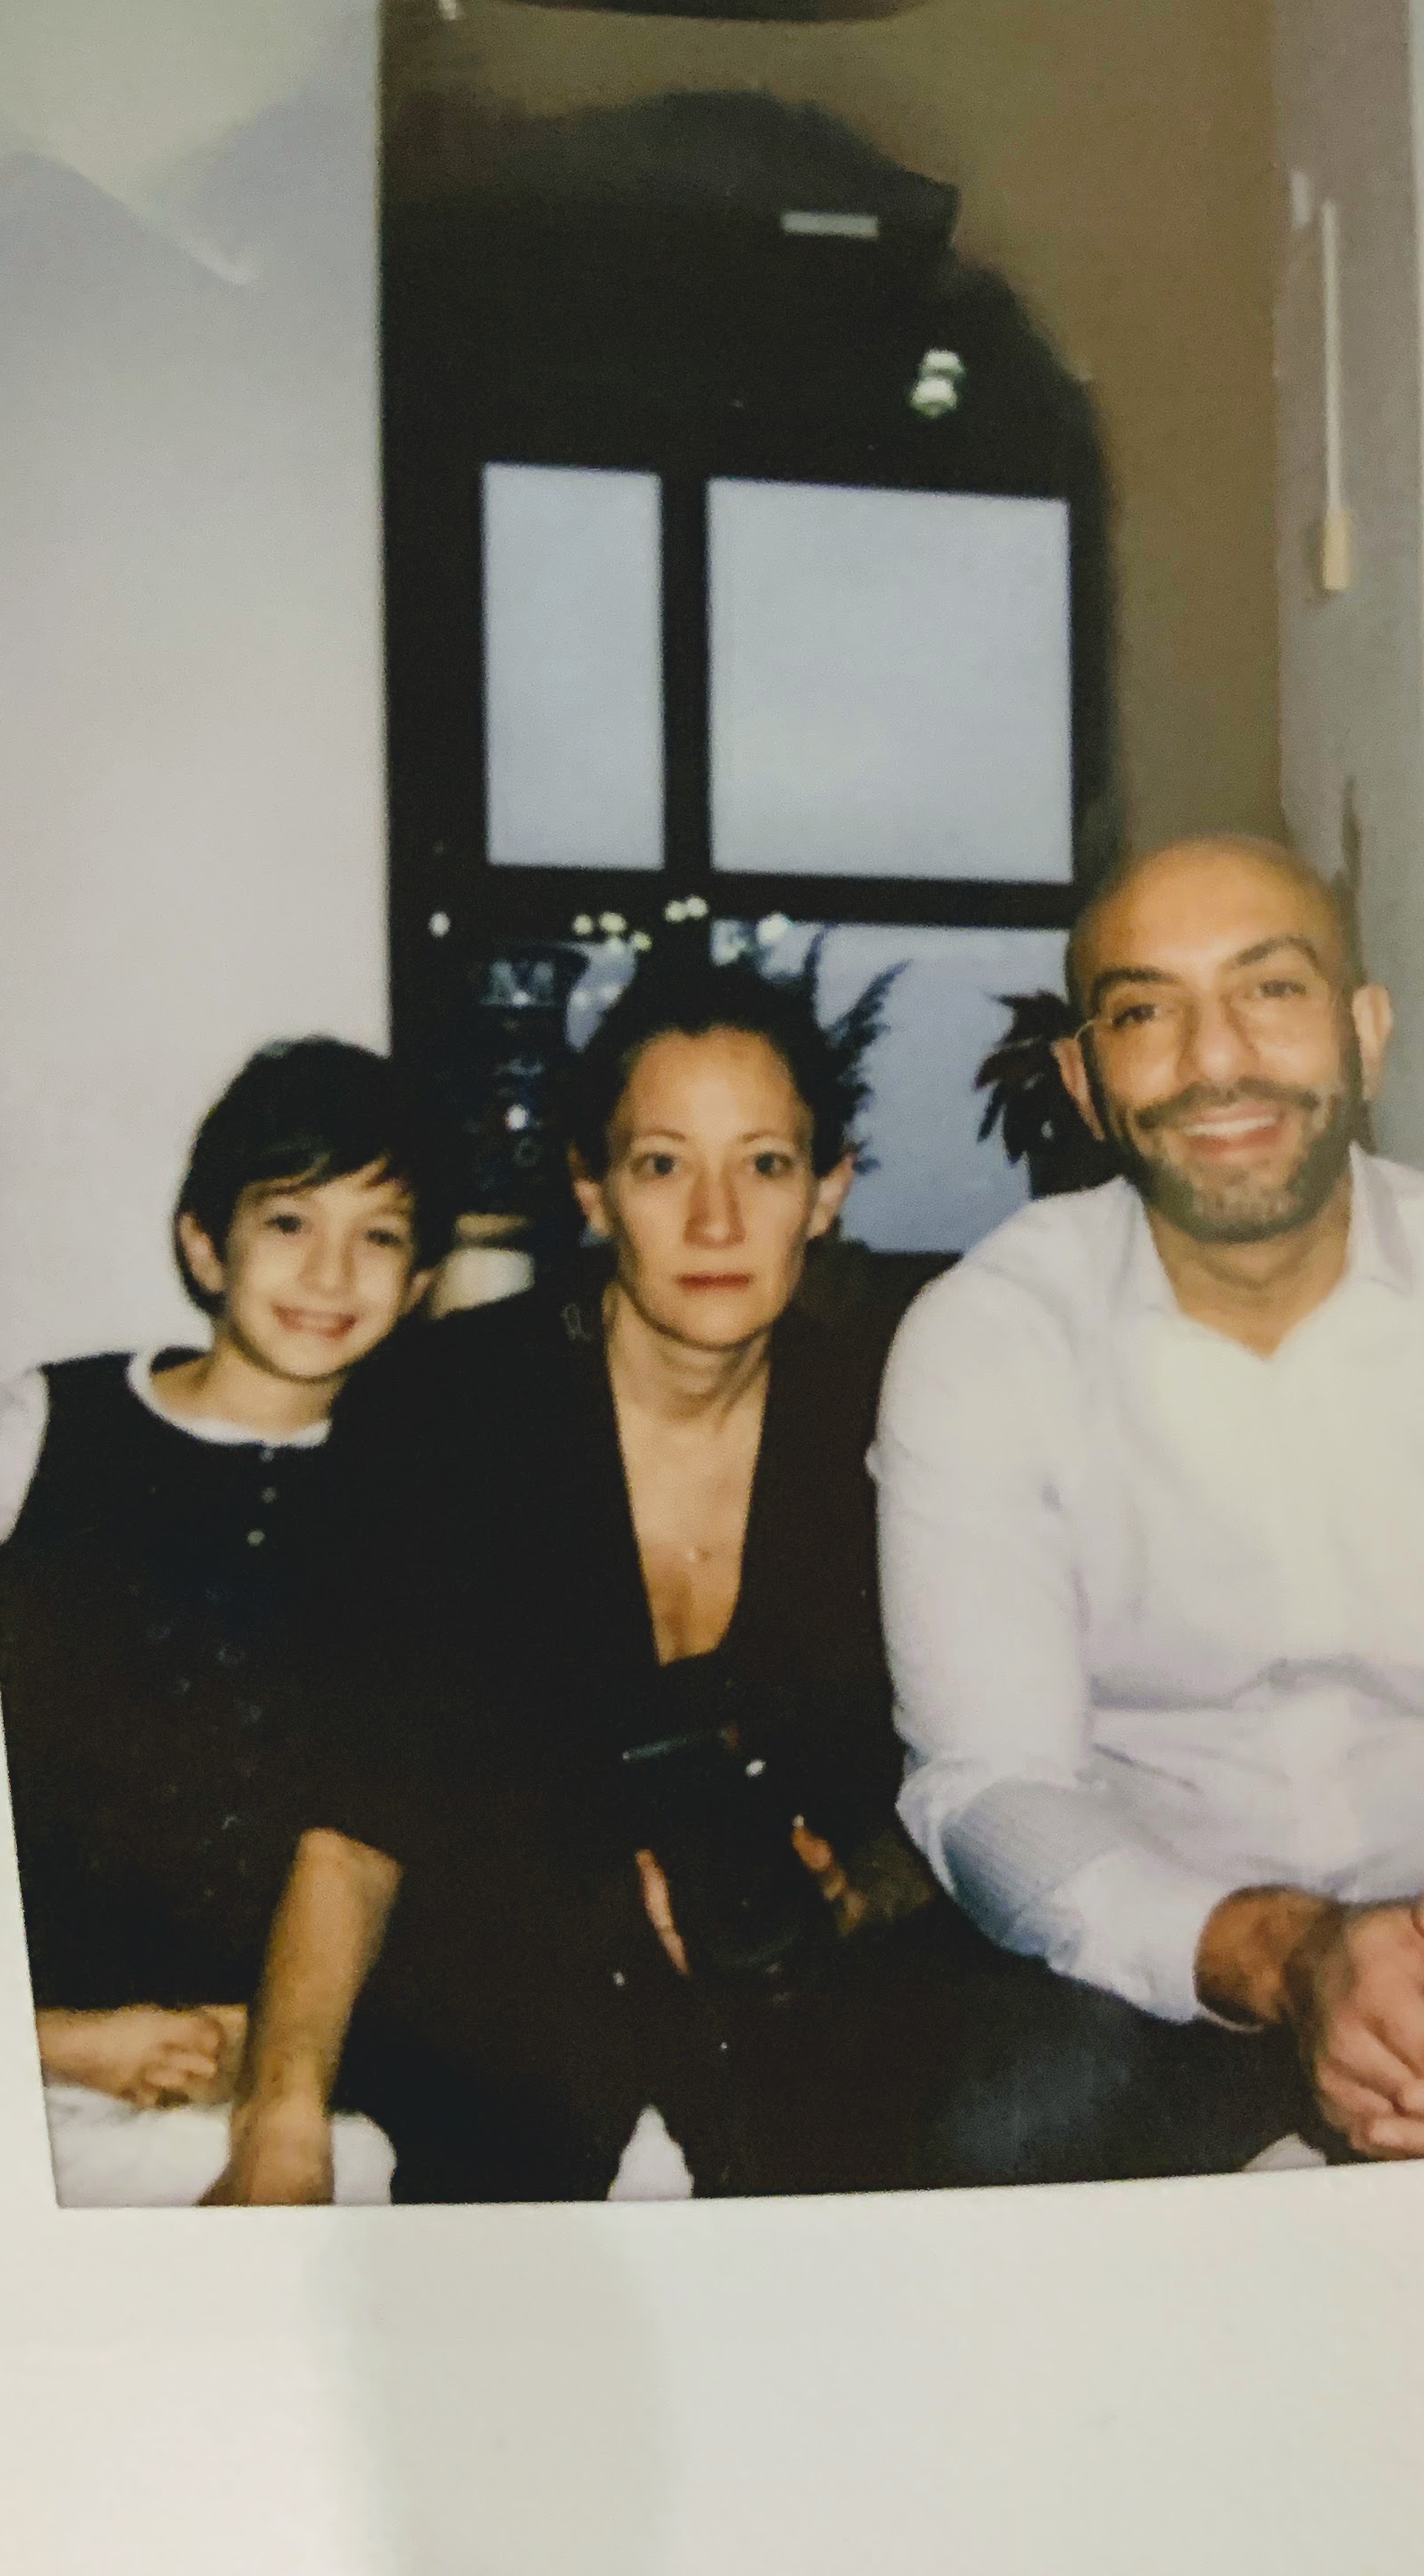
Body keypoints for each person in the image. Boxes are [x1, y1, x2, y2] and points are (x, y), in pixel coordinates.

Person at [875, 834, 1424, 2177]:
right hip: (1167, 1952)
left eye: (1271, 990)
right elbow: (992, 1783)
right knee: (993, 2126)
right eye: (1145, 1012)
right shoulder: (987, 1339)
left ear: (1365, 1034)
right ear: (1085, 1082)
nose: (1216, 1060)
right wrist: (1284, 1952)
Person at [214, 942, 966, 2207]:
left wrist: (856, 1892)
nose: (716, 1223)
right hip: (514, 1994)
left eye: (764, 1165)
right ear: (594, 1191)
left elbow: (987, 1759)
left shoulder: (909, 1397)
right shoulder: (454, 1405)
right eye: (662, 1165)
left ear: (828, 1190)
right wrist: (280, 2118)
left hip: (804, 1993)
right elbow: (355, 1817)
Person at [0, 1036, 454, 2206]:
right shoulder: (55, 1425)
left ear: (422, 1280)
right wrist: (43, 2034)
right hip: (24, 2034)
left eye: (380, 1236)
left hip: (279, 2063)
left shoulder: (428, 1494)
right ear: (205, 1243)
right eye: (289, 1221)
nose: (330, 1273)